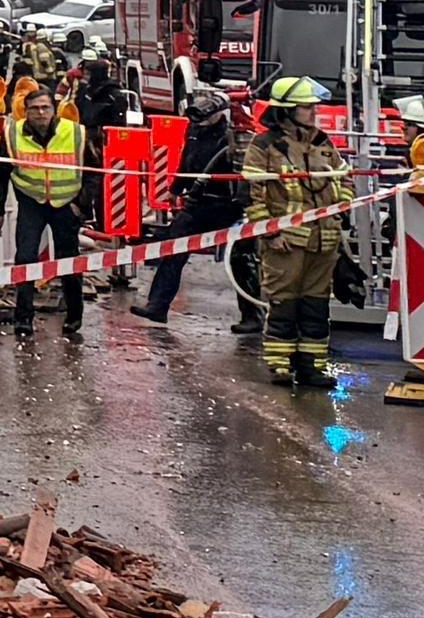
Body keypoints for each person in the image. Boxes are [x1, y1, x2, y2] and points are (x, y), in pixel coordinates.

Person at [250, 91, 356, 389]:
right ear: (286, 110)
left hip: (324, 238)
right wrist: (270, 231)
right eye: (306, 107)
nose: (313, 112)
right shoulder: (265, 146)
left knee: (316, 305)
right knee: (284, 302)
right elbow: (252, 193)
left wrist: (341, 208)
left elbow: (344, 177)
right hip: (286, 241)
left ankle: (312, 368)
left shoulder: (322, 142)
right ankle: (280, 365)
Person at [146, 67, 253, 328]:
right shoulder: (194, 130)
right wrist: (174, 189)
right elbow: (186, 161)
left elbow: (244, 171)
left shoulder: (234, 136)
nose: (201, 118)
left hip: (227, 207)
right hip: (198, 203)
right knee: (173, 248)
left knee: (241, 256)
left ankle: (252, 316)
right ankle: (157, 306)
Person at [4, 75, 93, 329]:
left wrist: (81, 205)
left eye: (45, 108)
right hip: (32, 203)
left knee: (69, 260)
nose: (40, 113)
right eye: (34, 109)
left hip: (66, 204)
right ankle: (23, 319)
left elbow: (93, 174)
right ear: (26, 112)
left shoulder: (74, 133)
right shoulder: (13, 134)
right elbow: (0, 173)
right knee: (25, 258)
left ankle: (74, 316)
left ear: (54, 110)